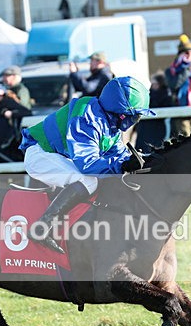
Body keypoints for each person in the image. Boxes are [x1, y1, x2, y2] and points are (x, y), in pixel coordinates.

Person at [19, 76, 154, 253]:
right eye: (135, 115)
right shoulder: (87, 117)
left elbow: (120, 155)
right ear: (121, 112)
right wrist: (122, 166)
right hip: (40, 155)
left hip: (59, 156)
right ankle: (41, 228)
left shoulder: (109, 123)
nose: (136, 120)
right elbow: (87, 164)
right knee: (88, 181)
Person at [136, 72, 174, 152]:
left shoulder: (166, 94)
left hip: (157, 128)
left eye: (155, 83)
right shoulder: (148, 95)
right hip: (145, 128)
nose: (153, 86)